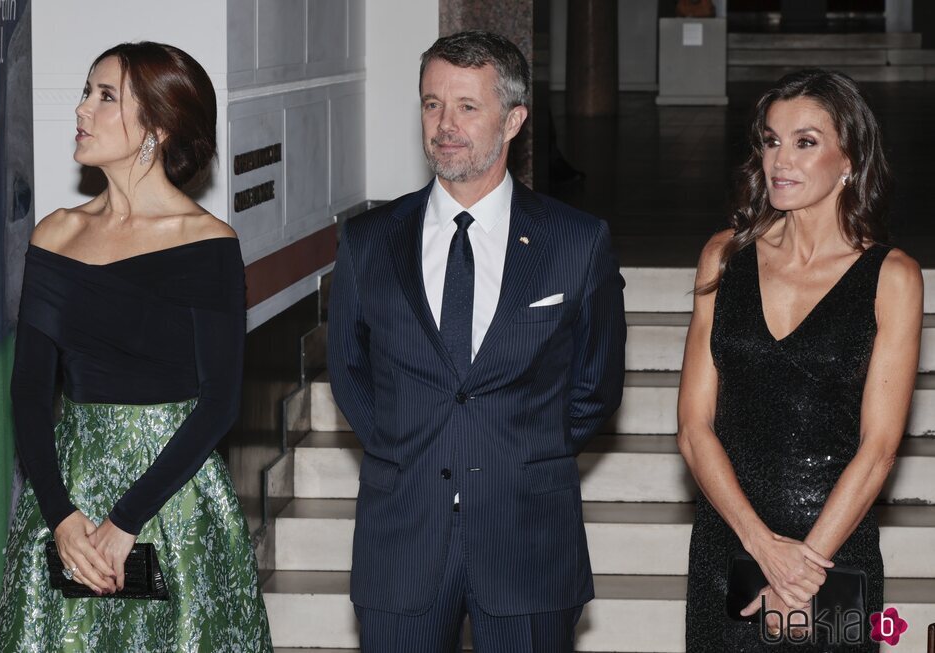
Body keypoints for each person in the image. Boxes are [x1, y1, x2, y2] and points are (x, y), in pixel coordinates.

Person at [327, 30, 626, 652]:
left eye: (467, 106)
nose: (444, 124)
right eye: (432, 104)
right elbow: (348, 368)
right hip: (402, 535)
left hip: (527, 536)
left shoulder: (576, 242)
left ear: (513, 119)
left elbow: (595, 388)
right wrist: (401, 444)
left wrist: (523, 450)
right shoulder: (369, 240)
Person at [0, 42, 272, 652]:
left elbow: (220, 403)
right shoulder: (58, 233)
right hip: (68, 492)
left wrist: (125, 521)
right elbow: (28, 391)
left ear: (157, 126)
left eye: (105, 95)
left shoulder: (207, 242)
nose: (82, 110)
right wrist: (62, 519)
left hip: (173, 496)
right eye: (87, 92)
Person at [677, 69, 923, 651]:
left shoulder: (892, 277)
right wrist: (762, 546)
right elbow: (693, 428)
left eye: (805, 142)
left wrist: (802, 568)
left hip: (833, 548)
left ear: (849, 161)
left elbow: (880, 448)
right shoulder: (723, 256)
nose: (780, 159)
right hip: (728, 538)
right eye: (770, 140)